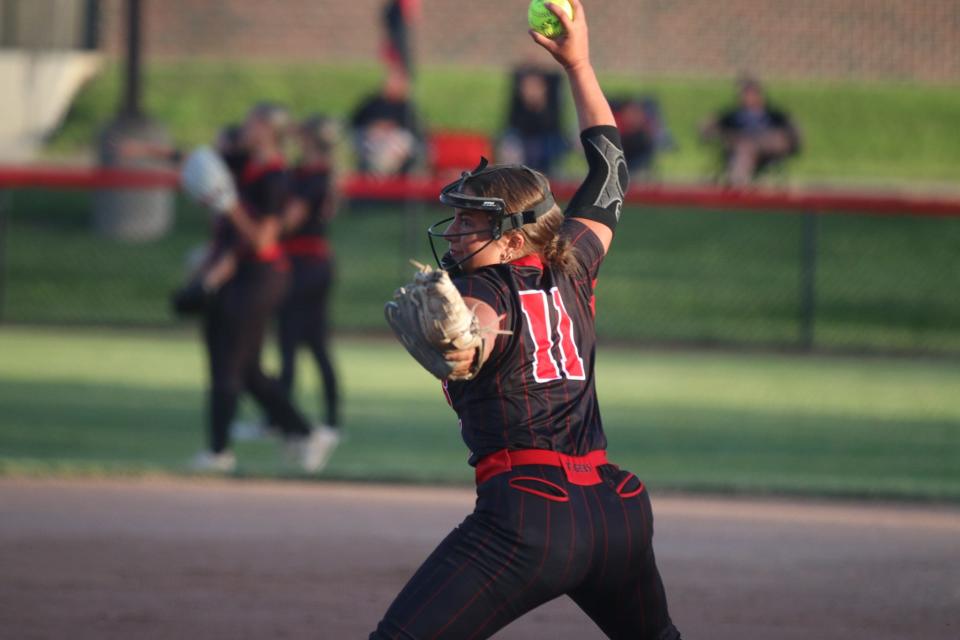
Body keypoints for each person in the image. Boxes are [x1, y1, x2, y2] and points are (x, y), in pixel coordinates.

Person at [371, 2, 681, 638]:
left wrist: (466, 343)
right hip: (618, 511)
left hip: (531, 516)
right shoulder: (575, 263)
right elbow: (612, 168)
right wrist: (580, 63)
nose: (456, 232)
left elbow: (481, 326)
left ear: (514, 240)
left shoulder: (485, 289)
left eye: (472, 222)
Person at [190, 102, 329, 473]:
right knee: (248, 369)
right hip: (240, 275)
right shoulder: (245, 163)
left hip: (260, 277)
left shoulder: (275, 176)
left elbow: (261, 239)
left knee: (227, 364)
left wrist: (229, 205)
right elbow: (201, 160)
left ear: (269, 130)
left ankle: (218, 452)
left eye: (253, 123)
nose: (245, 128)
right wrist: (145, 152)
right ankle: (302, 431)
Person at [271, 114, 342, 469]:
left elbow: (288, 222)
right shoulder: (320, 174)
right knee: (315, 344)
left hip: (302, 265)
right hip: (317, 264)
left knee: (289, 341)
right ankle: (331, 421)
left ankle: (283, 419)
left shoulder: (312, 176)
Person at [700, 76, 801, 186]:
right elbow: (709, 124)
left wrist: (795, 137)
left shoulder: (772, 113)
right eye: (745, 94)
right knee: (746, 147)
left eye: (752, 93)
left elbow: (792, 125)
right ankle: (738, 182)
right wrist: (711, 129)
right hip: (743, 144)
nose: (748, 97)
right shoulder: (734, 114)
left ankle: (738, 181)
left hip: (769, 145)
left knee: (773, 138)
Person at [350, 64, 422, 178]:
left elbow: (413, 133)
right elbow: (354, 122)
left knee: (400, 141)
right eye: (392, 81)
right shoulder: (372, 103)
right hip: (371, 145)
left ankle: (380, 179)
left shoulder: (405, 108)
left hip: (394, 152)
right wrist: (374, 127)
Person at [499, 64, 568, 174]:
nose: (531, 91)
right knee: (510, 145)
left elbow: (552, 125)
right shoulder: (518, 109)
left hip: (546, 140)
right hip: (522, 139)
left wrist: (539, 105)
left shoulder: (550, 107)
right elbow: (513, 124)